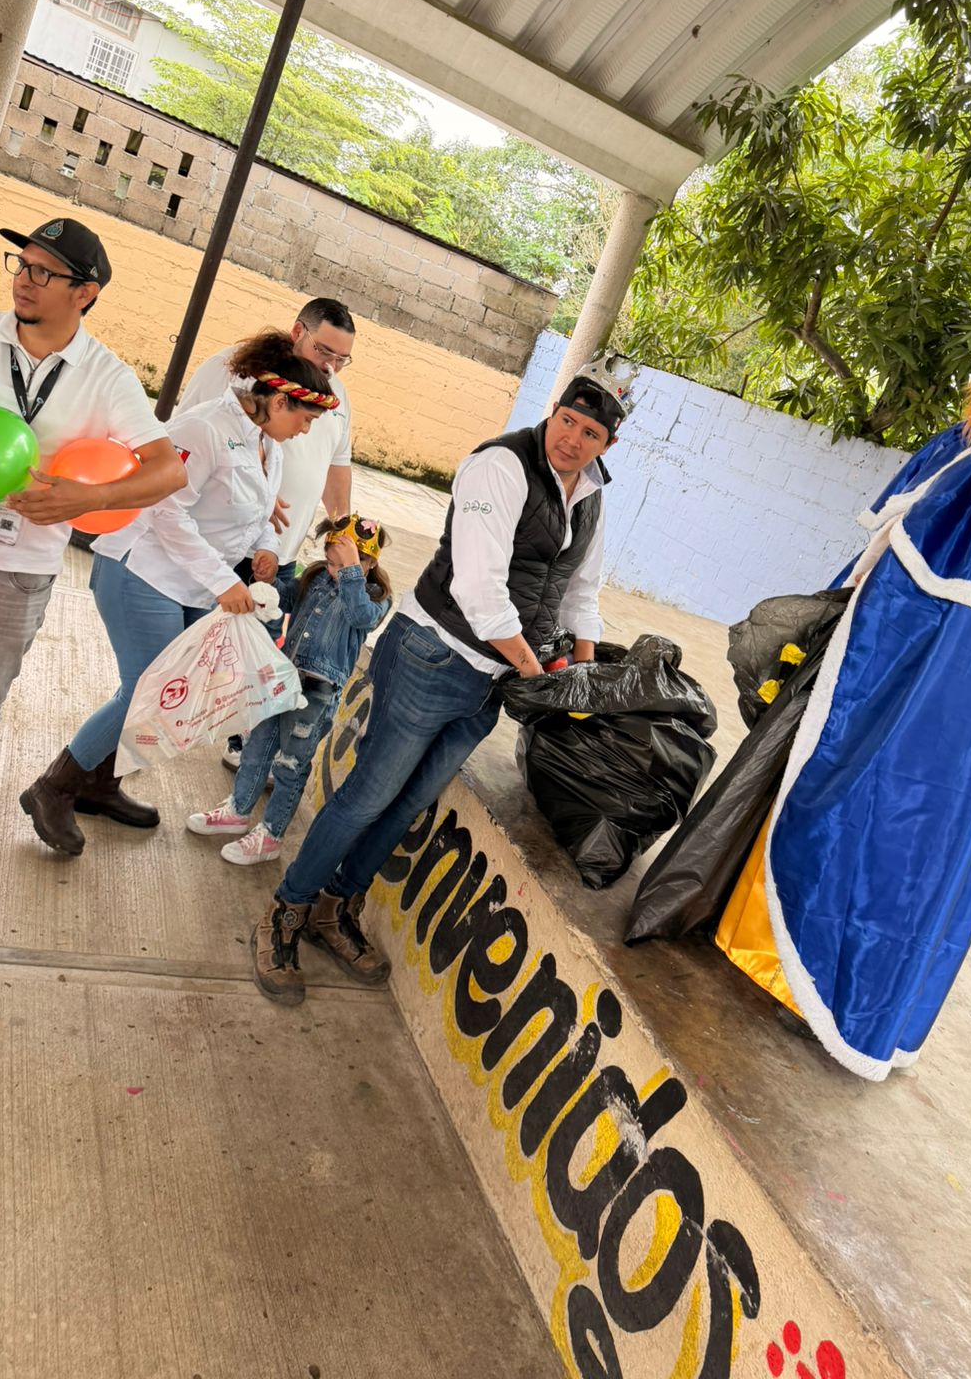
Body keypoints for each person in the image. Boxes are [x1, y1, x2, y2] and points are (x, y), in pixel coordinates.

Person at [710, 287, 971, 1079]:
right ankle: (757, 945)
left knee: (894, 828)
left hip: (943, 708)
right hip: (869, 666)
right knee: (813, 787)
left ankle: (831, 995)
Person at [249, 356, 635, 1006]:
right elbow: (480, 591)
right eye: (565, 421)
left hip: (490, 683)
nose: (571, 439)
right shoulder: (501, 466)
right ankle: (286, 910)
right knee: (368, 796)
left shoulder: (591, 496)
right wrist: (539, 675)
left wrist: (585, 675)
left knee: (408, 805)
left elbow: (581, 592)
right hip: (434, 655)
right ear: (553, 412)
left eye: (588, 433)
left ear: (608, 444)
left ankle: (335, 909)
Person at [19, 329, 339, 856]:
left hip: (191, 582)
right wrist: (224, 582)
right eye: (305, 418)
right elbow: (164, 510)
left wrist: (262, 548)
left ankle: (101, 784)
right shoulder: (204, 427)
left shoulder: (268, 444)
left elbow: (258, 509)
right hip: (142, 571)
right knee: (143, 692)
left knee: (169, 697)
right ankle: (53, 788)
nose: (306, 431)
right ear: (279, 400)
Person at [0, 218, 185, 768]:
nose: (23, 279)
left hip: (20, 571)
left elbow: (169, 472)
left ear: (85, 293)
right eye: (21, 264)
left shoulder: (107, 376)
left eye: (43, 272)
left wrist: (88, 500)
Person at [177, 298, 355, 771]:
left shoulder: (336, 400)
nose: (332, 366)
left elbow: (338, 466)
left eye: (342, 359)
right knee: (197, 645)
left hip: (280, 548)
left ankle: (242, 740)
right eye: (325, 351)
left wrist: (342, 530)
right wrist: (253, 487)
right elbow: (184, 439)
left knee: (261, 644)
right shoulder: (232, 369)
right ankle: (176, 716)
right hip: (223, 540)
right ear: (298, 331)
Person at [186, 513, 391, 865]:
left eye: (340, 565)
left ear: (367, 564)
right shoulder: (315, 577)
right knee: (256, 747)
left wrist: (350, 573)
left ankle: (271, 835)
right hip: (282, 679)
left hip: (317, 693)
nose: (331, 570)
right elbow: (286, 598)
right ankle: (237, 810)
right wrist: (267, 583)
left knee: (290, 763)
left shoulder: (373, 597)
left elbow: (361, 618)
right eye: (329, 562)